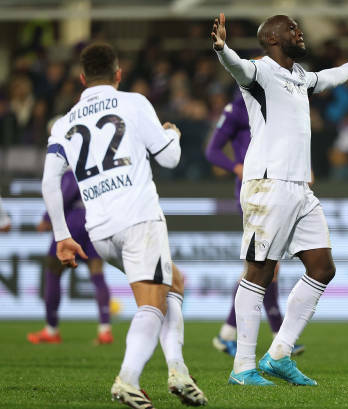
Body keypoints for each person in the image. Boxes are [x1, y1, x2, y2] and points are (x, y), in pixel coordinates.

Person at [211, 13, 348, 386]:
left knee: (322, 268)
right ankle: (242, 367)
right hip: (268, 183)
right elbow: (237, 67)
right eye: (291, 28)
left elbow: (328, 78)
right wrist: (222, 48)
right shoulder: (259, 71)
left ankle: (278, 354)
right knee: (259, 271)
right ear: (272, 38)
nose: (299, 32)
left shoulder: (300, 76)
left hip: (300, 187)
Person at [41, 42, 206, 408]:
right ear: (118, 74)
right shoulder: (133, 103)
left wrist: (62, 236)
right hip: (138, 219)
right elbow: (170, 159)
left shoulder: (64, 123)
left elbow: (49, 182)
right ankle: (128, 380)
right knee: (152, 304)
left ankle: (178, 370)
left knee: (173, 282)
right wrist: (173, 133)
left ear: (82, 79)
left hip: (99, 230)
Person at [206, 91, 304, 357]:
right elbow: (212, 151)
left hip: (277, 188)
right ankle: (277, 334)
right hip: (254, 192)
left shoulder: (277, 102)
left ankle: (228, 334)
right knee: (263, 264)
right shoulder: (237, 109)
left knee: (263, 266)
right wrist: (236, 167)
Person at [28, 170, 113, 345]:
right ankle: (105, 330)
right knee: (97, 274)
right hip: (97, 222)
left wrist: (47, 218)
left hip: (73, 223)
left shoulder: (73, 168)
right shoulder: (100, 168)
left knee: (53, 271)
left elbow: (65, 193)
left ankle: (51, 329)